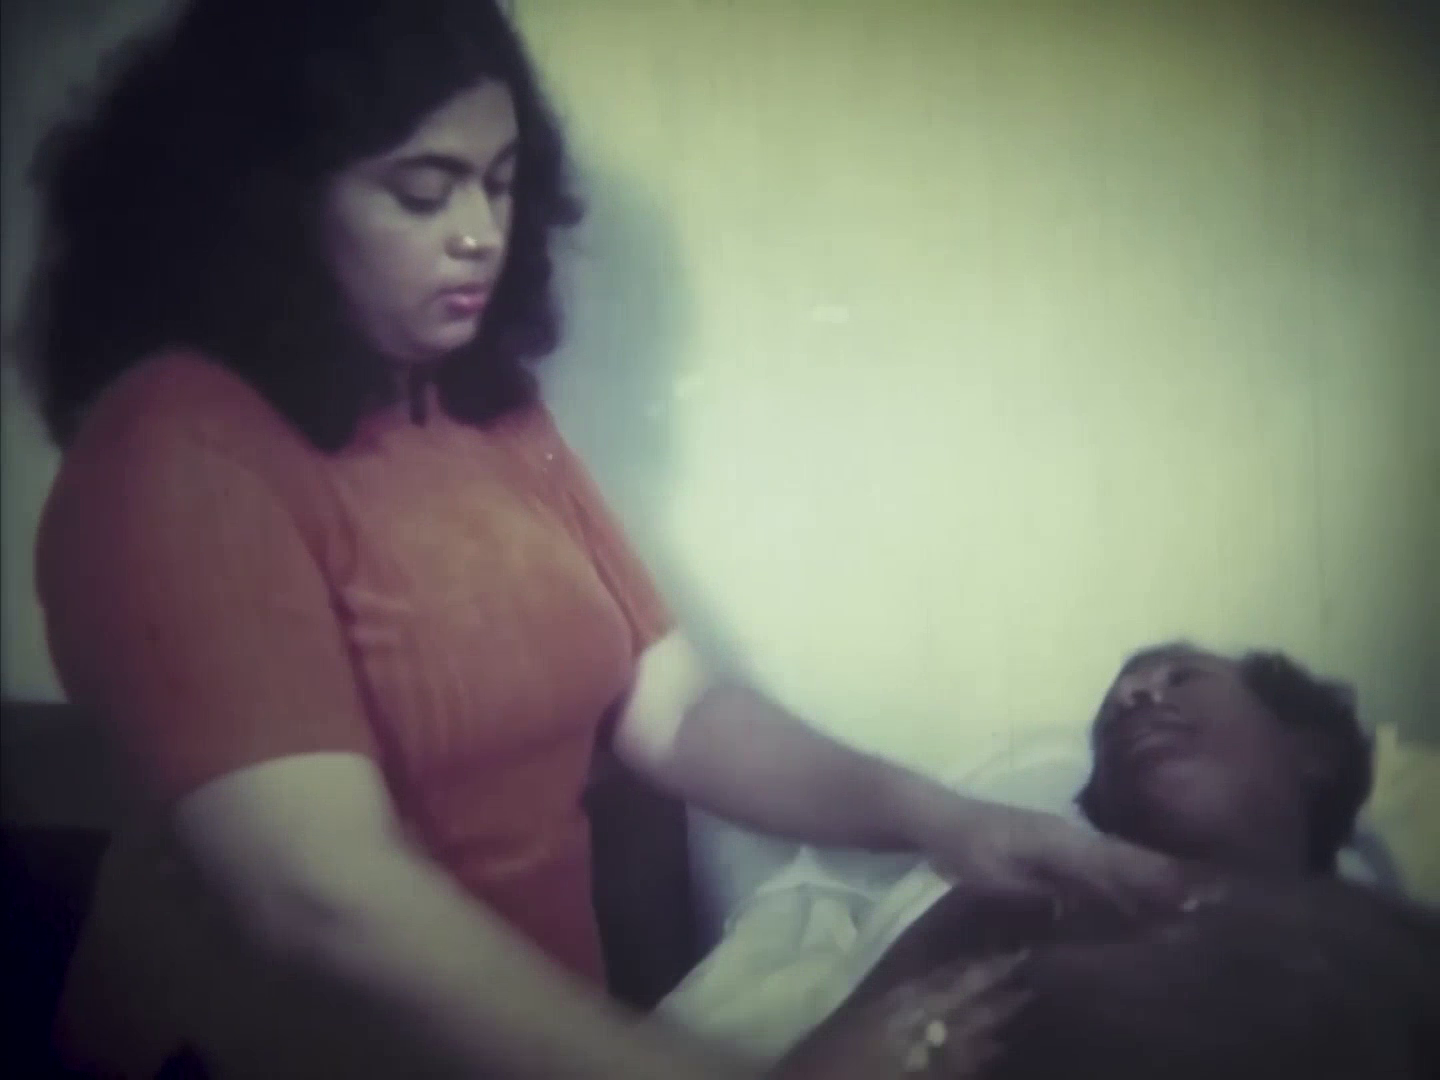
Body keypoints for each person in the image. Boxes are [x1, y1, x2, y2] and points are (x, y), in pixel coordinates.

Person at [18, 2, 1178, 1077]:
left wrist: (945, 820)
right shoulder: (178, 450)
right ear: (271, 205)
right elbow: (319, 898)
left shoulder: (486, 415)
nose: (480, 233)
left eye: (500, 183)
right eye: (423, 193)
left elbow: (674, 712)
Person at [777, 643, 1440, 1078]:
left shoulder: (1389, 941)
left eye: (1181, 676)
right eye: (1111, 717)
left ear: (1313, 753)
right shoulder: (1008, 909)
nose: (1133, 696)